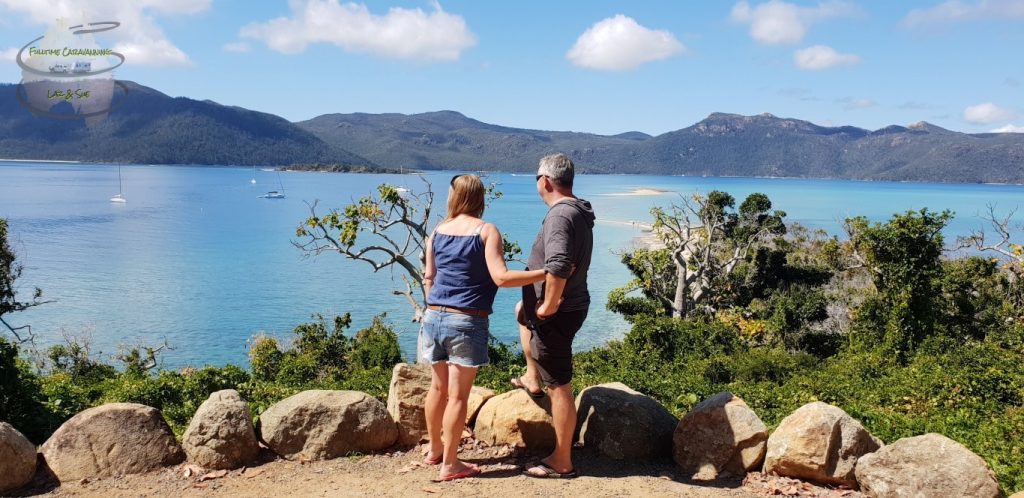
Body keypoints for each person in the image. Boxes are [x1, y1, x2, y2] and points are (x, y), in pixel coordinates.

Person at [421, 173, 548, 481]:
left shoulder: (437, 232)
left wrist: (436, 305)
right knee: (458, 397)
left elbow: (429, 277)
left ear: (453, 197)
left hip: (432, 317)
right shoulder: (485, 231)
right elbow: (501, 278)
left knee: (437, 388)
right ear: (480, 198)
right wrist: (546, 273)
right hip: (466, 320)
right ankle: (450, 465)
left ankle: (435, 449)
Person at [513, 153, 595, 479]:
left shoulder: (560, 216)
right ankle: (532, 377)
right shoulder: (576, 210)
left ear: (545, 181)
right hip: (571, 304)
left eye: (536, 178)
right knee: (522, 314)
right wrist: (533, 306)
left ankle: (562, 460)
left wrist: (547, 304)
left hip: (559, 313)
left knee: (560, 386)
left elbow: (559, 264)